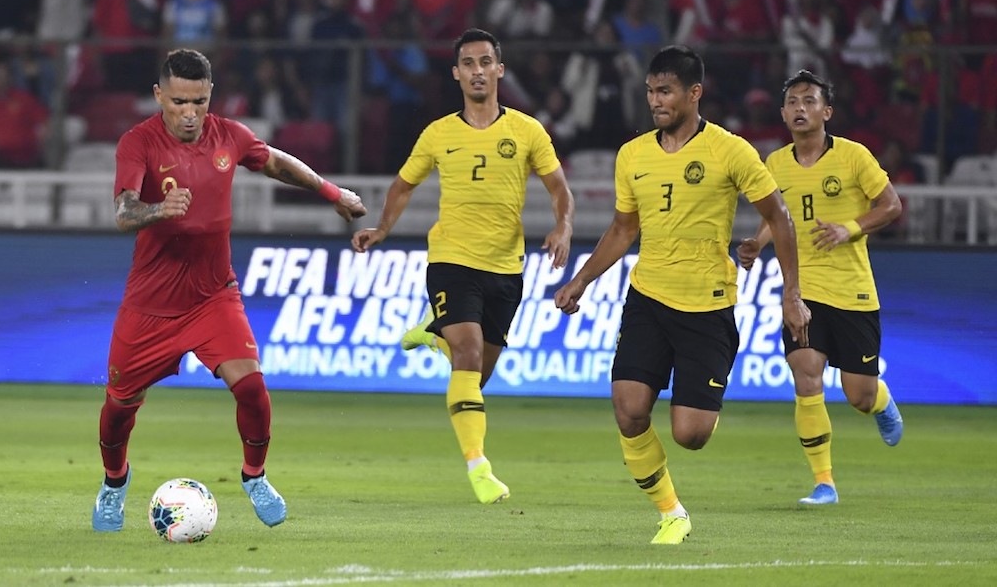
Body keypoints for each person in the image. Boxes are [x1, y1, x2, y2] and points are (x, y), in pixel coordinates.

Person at [92, 49, 367, 532]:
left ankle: (254, 477)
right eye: (179, 101)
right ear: (159, 96)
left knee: (253, 387)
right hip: (150, 306)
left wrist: (333, 193)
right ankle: (114, 484)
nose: (190, 112)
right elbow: (123, 212)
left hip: (214, 296)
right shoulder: (137, 144)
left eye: (198, 100)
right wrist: (159, 210)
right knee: (118, 406)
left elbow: (277, 163)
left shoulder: (229, 136)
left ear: (210, 95)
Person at [553, 45, 811, 545]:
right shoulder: (633, 155)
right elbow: (624, 228)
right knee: (628, 409)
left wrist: (791, 293)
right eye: (651, 91)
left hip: (708, 304)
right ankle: (671, 512)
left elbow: (780, 218)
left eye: (666, 91)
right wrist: (581, 280)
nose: (656, 101)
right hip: (648, 297)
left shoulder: (730, 151)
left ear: (695, 93)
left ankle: (697, 421)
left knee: (691, 434)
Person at [351, 28, 574, 504]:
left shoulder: (527, 131)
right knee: (469, 355)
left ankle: (434, 332)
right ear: (456, 73)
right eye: (468, 63)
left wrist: (564, 227)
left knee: (473, 374)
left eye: (485, 62)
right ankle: (479, 468)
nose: (477, 71)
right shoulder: (438, 133)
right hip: (451, 260)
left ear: (500, 69)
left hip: (506, 269)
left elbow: (559, 188)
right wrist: (383, 229)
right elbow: (404, 185)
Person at [737, 70, 904, 506]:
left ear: (826, 111)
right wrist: (758, 241)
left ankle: (881, 401)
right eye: (792, 101)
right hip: (801, 290)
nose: (800, 108)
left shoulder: (853, 157)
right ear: (783, 113)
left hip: (852, 290)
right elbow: (778, 218)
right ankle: (824, 483)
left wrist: (850, 228)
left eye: (809, 101)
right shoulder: (774, 164)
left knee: (858, 394)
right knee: (806, 373)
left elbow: (891, 205)